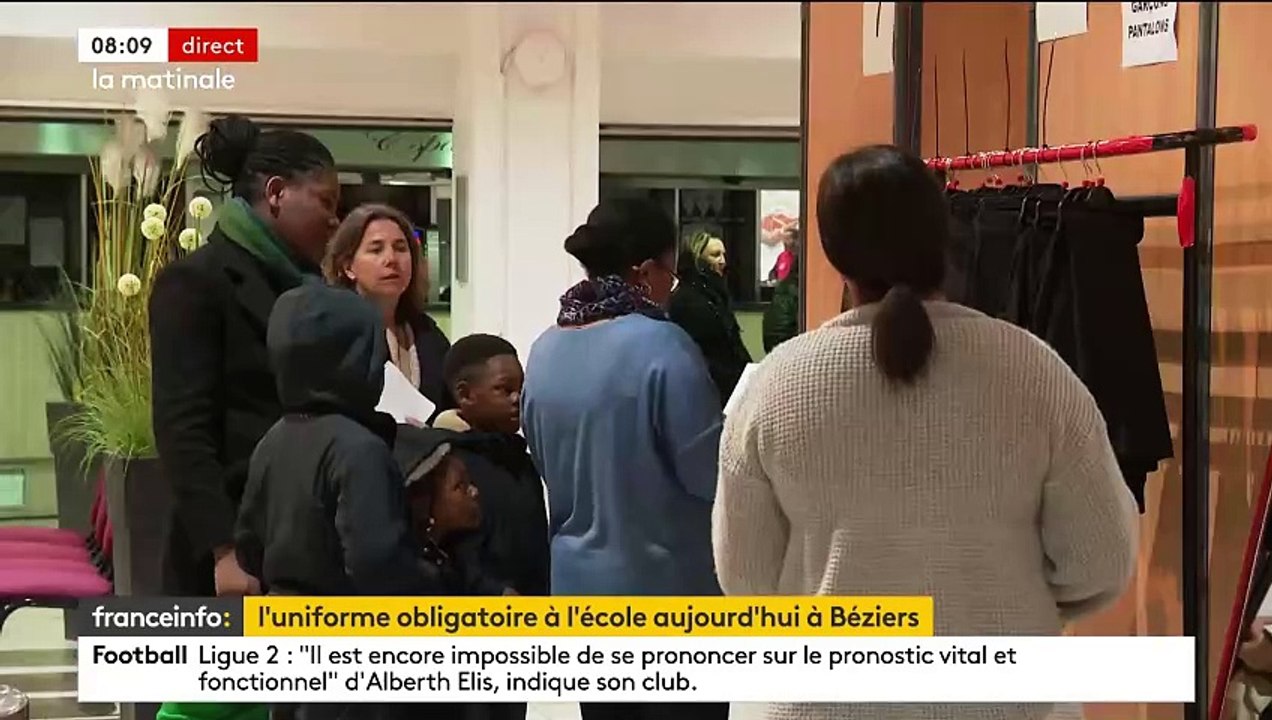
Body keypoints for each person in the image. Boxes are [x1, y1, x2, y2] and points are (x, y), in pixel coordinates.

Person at [713, 145, 1138, 720]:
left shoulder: (773, 388)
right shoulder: (1036, 373)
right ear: (944, 236)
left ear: (834, 255)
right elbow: (1099, 560)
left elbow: (748, 581)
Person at [520, 198, 728, 720]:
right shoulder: (663, 347)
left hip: (581, 597)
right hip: (669, 602)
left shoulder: (543, 350)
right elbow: (709, 475)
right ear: (645, 272)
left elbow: (544, 458)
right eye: (670, 274)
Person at [235, 283, 455, 720]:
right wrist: (437, 584)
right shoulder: (359, 448)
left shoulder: (275, 438)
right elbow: (377, 561)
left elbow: (248, 544)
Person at [150, 115, 339, 599]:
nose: (335, 221)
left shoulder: (311, 291)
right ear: (276, 193)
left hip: (306, 538)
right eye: (326, 202)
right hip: (235, 552)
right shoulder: (197, 282)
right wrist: (223, 549)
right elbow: (183, 429)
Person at [323, 202, 454, 417]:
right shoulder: (336, 337)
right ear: (348, 267)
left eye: (401, 248)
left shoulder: (429, 335)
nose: (391, 259)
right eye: (376, 249)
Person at [668, 231, 753, 403]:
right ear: (697, 259)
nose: (722, 261)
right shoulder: (688, 300)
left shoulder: (714, 294)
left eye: (723, 255)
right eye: (715, 255)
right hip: (709, 391)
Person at [762, 222, 801, 352]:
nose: (784, 242)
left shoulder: (799, 257)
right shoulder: (782, 256)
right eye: (783, 238)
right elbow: (773, 272)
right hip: (780, 293)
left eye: (787, 238)